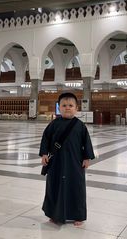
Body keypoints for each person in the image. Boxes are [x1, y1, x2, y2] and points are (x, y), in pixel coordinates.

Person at [39, 92, 95, 226]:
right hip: (56, 162)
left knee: (76, 187)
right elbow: (45, 138)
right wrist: (44, 154)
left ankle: (78, 215)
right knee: (54, 187)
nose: (67, 108)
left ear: (76, 108)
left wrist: (87, 157)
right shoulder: (53, 124)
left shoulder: (80, 126)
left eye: (71, 105)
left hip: (74, 163)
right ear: (59, 108)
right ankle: (54, 213)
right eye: (64, 105)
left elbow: (86, 142)